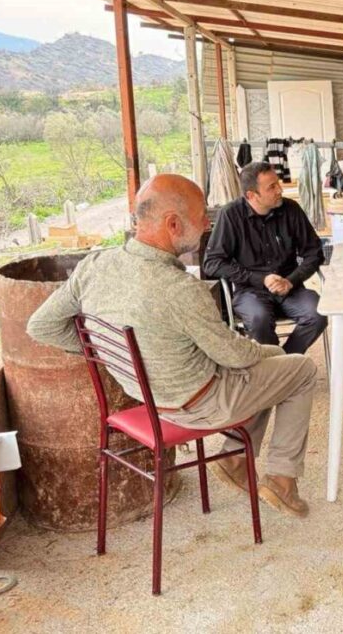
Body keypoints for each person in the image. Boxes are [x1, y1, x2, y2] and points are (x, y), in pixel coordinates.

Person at [27, 174, 317, 519]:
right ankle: (282, 480)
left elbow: (41, 325)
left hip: (147, 396)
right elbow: (235, 356)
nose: (208, 223)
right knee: (299, 369)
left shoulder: (95, 266)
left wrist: (104, 349)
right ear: (174, 224)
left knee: (268, 371)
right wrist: (275, 352)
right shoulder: (180, 289)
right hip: (199, 403)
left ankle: (237, 460)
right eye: (202, 216)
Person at [203, 161, 327, 355]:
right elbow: (212, 262)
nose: (280, 190)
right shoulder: (230, 215)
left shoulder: (291, 209)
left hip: (291, 288)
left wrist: (290, 280)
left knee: (319, 313)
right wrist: (261, 279)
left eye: (278, 183)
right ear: (251, 195)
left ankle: (284, 362)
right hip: (250, 291)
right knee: (258, 320)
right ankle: (277, 364)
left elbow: (314, 252)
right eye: (272, 187)